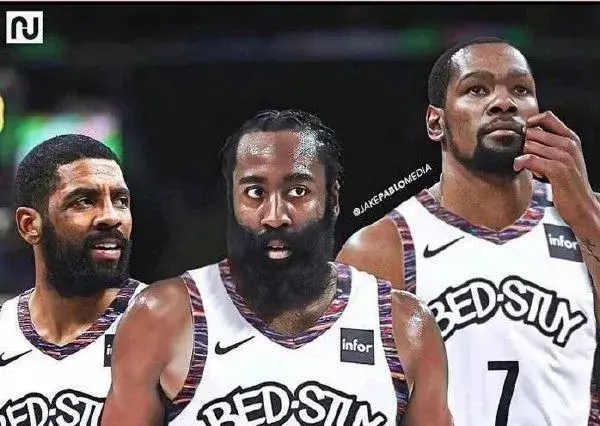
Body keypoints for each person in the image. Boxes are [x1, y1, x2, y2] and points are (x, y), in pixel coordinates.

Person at [100, 109, 453, 425]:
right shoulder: (161, 318)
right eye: (255, 192)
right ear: (231, 199)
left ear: (332, 200)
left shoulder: (404, 326)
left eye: (298, 191)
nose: (274, 216)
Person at [337, 37, 600, 425]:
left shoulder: (589, 220)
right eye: (477, 89)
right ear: (435, 122)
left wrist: (589, 219)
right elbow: (347, 400)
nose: (503, 102)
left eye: (520, 89)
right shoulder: (379, 249)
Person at [0, 134, 145, 425]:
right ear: (29, 225)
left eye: (120, 200)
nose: (111, 217)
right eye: (84, 201)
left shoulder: (175, 330)